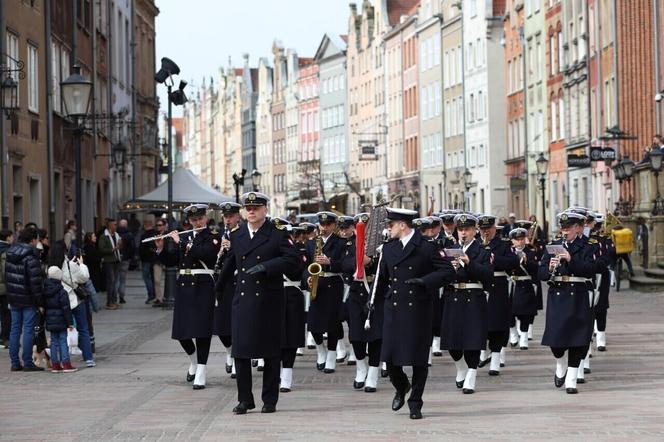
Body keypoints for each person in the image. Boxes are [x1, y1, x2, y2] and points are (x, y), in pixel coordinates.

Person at [218, 192, 299, 414]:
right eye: (248, 208)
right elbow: (229, 265)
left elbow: (293, 261)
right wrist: (217, 291)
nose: (251, 211)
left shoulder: (277, 234)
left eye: (256, 208)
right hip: (243, 299)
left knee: (271, 352)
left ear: (265, 209)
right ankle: (245, 399)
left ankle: (270, 399)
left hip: (269, 300)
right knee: (241, 352)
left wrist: (267, 267)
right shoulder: (238, 234)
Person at [373, 208, 454, 420]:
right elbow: (381, 279)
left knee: (418, 360)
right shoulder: (388, 249)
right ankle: (401, 386)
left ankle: (415, 402)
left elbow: (447, 271)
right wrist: (371, 302)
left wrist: (425, 282)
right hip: (394, 307)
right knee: (389, 358)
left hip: (418, 308)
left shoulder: (426, 247)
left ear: (402, 225)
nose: (387, 229)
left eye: (390, 225)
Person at [156, 204, 221, 390]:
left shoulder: (213, 237)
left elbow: (205, 254)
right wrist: (161, 249)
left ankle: (201, 369)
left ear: (205, 218)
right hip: (185, 286)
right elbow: (172, 261)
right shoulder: (185, 237)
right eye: (193, 220)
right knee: (181, 332)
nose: (197, 222)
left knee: (202, 331)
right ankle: (193, 361)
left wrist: (181, 243)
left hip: (203, 286)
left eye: (200, 219)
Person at [538, 211, 596, 394]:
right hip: (558, 295)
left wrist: (571, 259)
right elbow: (540, 274)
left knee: (578, 339)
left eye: (568, 228)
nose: (564, 231)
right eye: (562, 228)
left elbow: (591, 269)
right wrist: (549, 268)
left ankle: (571, 378)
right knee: (556, 340)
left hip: (578, 294)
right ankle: (560, 362)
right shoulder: (553, 246)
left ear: (578, 228)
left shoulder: (588, 246)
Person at [441, 214, 493, 394]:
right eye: (461, 230)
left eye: (467, 230)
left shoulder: (483, 250)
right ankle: (461, 367)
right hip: (453, 296)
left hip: (473, 297)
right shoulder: (450, 249)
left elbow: (487, 274)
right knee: (453, 343)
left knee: (472, 340)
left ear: (474, 231)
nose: (463, 233)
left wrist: (469, 263)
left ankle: (471, 374)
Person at [342, 212, 384, 393]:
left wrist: (372, 261)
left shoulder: (383, 245)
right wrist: (358, 262)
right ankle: (361, 368)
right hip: (357, 292)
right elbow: (341, 263)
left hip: (376, 292)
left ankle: (373, 373)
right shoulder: (350, 244)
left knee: (376, 336)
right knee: (356, 335)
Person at [303, 211, 347, 374]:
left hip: (333, 284)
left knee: (333, 323)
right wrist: (307, 278)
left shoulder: (342, 243)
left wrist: (330, 262)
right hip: (316, 283)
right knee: (313, 323)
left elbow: (346, 264)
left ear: (334, 225)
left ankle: (331, 355)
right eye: (322, 224)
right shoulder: (311, 243)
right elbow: (305, 267)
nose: (324, 227)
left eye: (328, 224)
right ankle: (321, 350)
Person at [271, 218, 307, 393]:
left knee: (290, 337)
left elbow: (298, 269)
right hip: (272, 295)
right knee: (273, 336)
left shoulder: (296, 251)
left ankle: (287, 375)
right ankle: (274, 372)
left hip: (292, 294)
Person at [49, 241, 96, 368]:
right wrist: (81, 264)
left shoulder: (50, 268)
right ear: (65, 251)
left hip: (59, 302)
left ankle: (59, 361)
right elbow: (85, 277)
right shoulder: (71, 265)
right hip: (75, 301)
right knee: (83, 329)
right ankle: (88, 359)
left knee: (59, 333)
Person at [6, 227, 44, 371]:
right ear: (33, 240)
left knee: (15, 329)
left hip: (14, 297)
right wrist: (40, 302)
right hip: (28, 299)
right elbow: (35, 282)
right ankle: (27, 362)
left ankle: (15, 363)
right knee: (28, 330)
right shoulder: (31, 256)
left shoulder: (10, 253)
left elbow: (7, 277)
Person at [214, 202, 243, 378]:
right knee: (222, 326)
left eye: (231, 216)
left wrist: (233, 249)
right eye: (225, 217)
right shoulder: (221, 235)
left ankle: (235, 357)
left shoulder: (244, 234)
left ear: (238, 217)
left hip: (238, 282)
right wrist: (220, 252)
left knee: (237, 324)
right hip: (224, 284)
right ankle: (229, 350)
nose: (228, 219)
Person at [508, 228, 540, 350]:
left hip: (525, 283)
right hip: (511, 283)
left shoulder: (530, 252)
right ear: (513, 241)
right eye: (517, 239)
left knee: (525, 313)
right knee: (509, 312)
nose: (520, 242)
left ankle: (524, 337)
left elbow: (536, 267)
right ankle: (513, 333)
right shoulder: (508, 252)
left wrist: (526, 261)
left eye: (522, 239)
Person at [43, 266, 77, 373]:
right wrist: (70, 323)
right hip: (61, 321)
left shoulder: (45, 290)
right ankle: (66, 363)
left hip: (50, 320)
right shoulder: (62, 292)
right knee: (63, 341)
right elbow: (66, 309)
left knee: (53, 342)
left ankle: (55, 365)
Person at [98, 219, 122, 310]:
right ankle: (109, 302)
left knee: (115, 282)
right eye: (115, 225)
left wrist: (120, 245)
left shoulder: (116, 235)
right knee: (110, 281)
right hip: (108, 261)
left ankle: (114, 301)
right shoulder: (104, 236)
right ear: (110, 226)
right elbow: (101, 249)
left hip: (116, 260)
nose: (116, 226)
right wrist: (113, 249)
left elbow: (119, 247)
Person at [116, 219, 135, 304]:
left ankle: (114, 297)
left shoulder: (115, 234)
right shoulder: (129, 235)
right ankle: (121, 297)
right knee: (122, 279)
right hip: (125, 259)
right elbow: (132, 247)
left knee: (115, 279)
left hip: (116, 259)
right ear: (126, 225)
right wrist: (130, 257)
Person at [0, 229, 13, 348]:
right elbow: (5, 271)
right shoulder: (6, 250)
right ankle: (5, 338)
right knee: (6, 314)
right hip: (4, 288)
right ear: (8, 237)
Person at [138, 219, 157, 304]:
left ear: (145, 225)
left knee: (146, 277)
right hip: (154, 259)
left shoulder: (145, 235)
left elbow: (142, 248)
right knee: (153, 278)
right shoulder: (155, 234)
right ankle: (154, 294)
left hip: (146, 259)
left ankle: (151, 294)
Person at [151, 219, 169, 307]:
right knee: (157, 280)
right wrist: (158, 248)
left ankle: (167, 296)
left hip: (167, 260)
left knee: (169, 280)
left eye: (160, 225)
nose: (158, 227)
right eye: (157, 225)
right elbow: (151, 248)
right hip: (157, 260)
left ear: (165, 226)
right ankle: (159, 298)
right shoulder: (154, 235)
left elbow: (171, 248)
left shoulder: (169, 235)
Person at [82, 232, 102, 312]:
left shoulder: (92, 247)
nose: (95, 237)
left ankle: (92, 307)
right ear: (89, 238)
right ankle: (93, 307)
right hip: (91, 271)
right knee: (91, 290)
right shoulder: (88, 248)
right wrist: (99, 259)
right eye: (94, 236)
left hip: (93, 270)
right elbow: (92, 259)